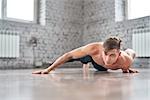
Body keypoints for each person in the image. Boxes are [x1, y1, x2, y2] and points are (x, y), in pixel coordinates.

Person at [32, 36, 138, 74]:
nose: (107, 59)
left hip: (101, 68)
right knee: (83, 56)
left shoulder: (126, 60)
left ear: (119, 54)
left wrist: (126, 69)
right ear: (102, 49)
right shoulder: (94, 48)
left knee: (131, 53)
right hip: (94, 59)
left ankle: (127, 50)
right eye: (105, 54)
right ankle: (85, 62)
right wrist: (48, 69)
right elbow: (68, 55)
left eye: (112, 55)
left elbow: (126, 68)